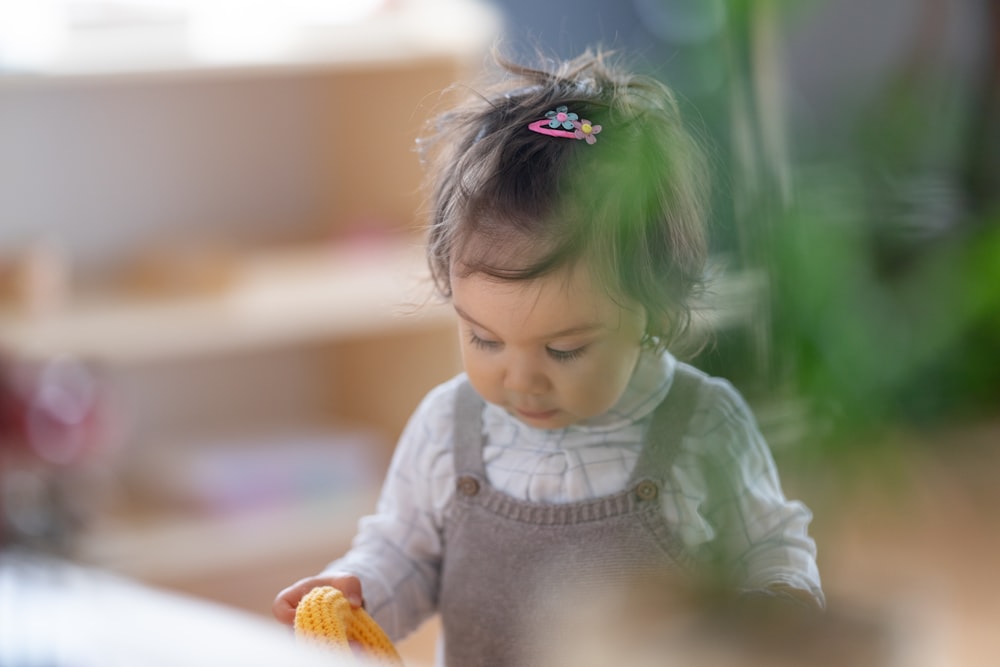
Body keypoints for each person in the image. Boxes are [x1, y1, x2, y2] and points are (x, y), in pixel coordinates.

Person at [273, 48, 824, 666]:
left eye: (565, 349)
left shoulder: (701, 423)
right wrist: (360, 590)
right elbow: (405, 551)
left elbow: (769, 549)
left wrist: (776, 608)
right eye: (484, 338)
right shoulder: (445, 429)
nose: (521, 378)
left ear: (656, 312)